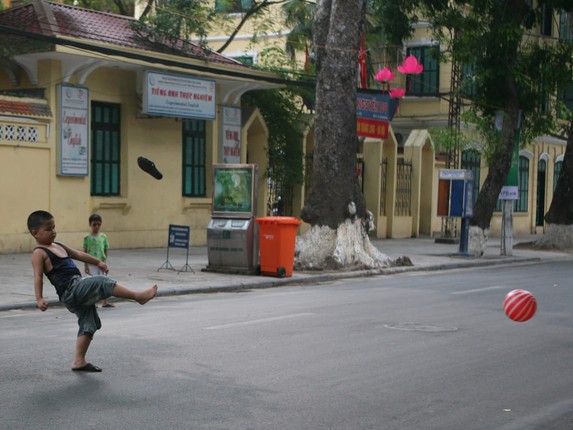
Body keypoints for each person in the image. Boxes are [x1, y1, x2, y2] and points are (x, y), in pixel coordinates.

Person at [27, 210, 158, 373]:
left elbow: (79, 254)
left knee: (89, 323)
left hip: (77, 288)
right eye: (48, 229)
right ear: (35, 233)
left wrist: (98, 262)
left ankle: (79, 361)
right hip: (71, 290)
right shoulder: (39, 253)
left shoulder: (58, 245)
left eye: (54, 227)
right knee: (101, 282)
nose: (53, 231)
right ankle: (137, 296)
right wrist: (39, 298)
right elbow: (38, 276)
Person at [83, 213, 112, 308]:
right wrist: (86, 265)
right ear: (90, 225)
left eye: (98, 224)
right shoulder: (87, 238)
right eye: (94, 224)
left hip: (101, 263)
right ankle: (92, 302)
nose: (96, 226)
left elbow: (106, 249)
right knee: (93, 283)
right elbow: (85, 252)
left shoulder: (103, 237)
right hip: (91, 264)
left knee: (104, 282)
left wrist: (104, 262)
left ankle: (105, 301)